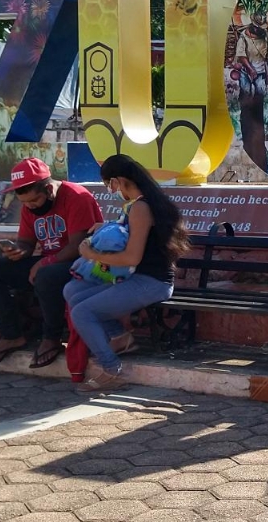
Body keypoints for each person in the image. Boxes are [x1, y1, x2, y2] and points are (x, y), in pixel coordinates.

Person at [64, 154, 188, 391]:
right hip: (138, 277)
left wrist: (92, 255)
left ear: (119, 181)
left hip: (151, 282)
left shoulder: (141, 207)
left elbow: (132, 257)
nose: (110, 190)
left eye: (109, 184)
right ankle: (120, 336)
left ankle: (111, 369)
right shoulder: (138, 204)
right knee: (74, 293)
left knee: (82, 312)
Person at [0, 157, 103, 370]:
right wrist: (18, 250)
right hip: (50, 262)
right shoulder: (30, 205)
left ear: (48, 188)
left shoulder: (76, 197)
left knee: (46, 275)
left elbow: (78, 246)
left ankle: (52, 337)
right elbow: (27, 242)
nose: (29, 207)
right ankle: (11, 334)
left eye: (34, 201)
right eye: (24, 203)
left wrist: (46, 262)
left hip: (83, 263)